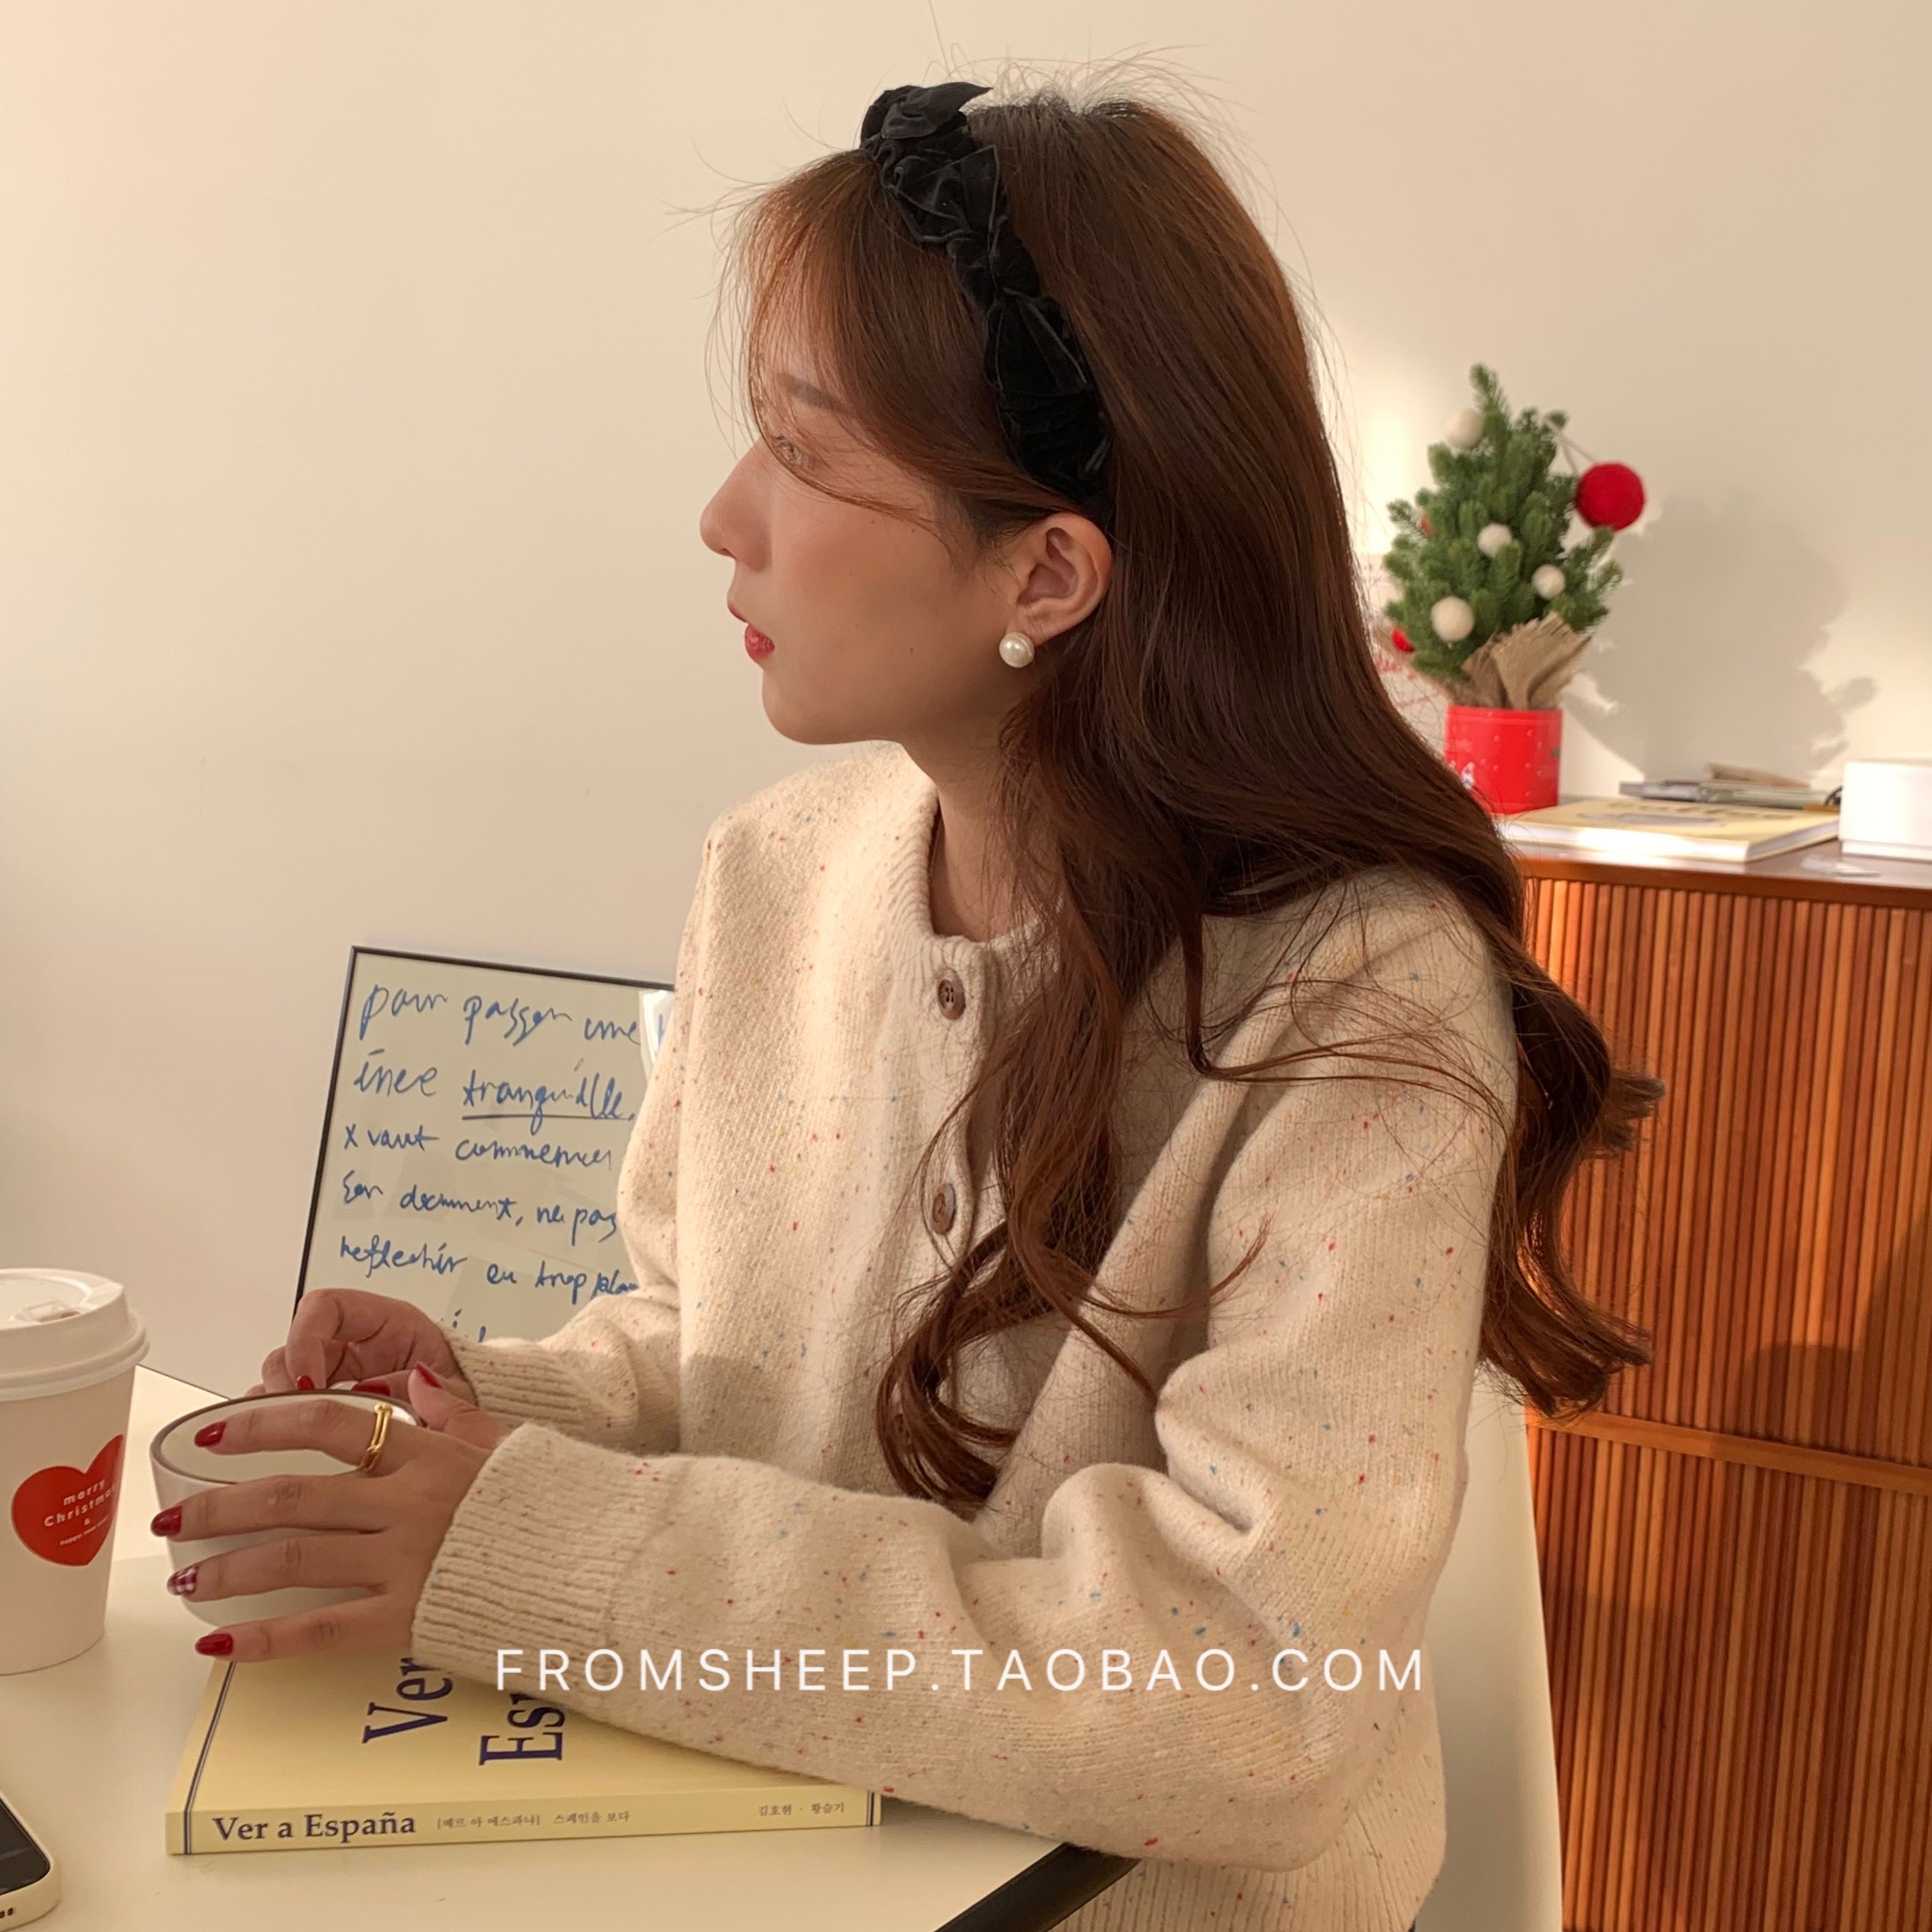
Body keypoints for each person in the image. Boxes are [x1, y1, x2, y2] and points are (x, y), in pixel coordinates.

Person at [176, 72, 1659, 1932]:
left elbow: (1259, 1698)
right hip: (769, 1874)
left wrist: (529, 1543)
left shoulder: (1361, 1002)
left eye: (802, 452)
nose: (724, 516)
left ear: (1047, 569)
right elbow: (717, 1360)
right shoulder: (774, 872)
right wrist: (485, 1406)